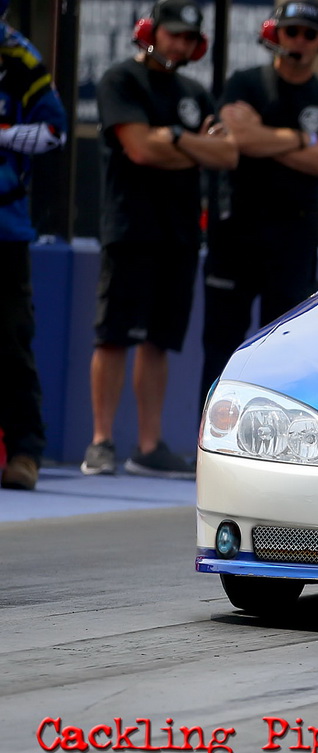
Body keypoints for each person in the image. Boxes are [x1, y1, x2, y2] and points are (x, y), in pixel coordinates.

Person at [84, 0, 237, 478]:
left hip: (180, 232)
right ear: (151, 32)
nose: (181, 45)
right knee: (114, 337)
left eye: (189, 38)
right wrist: (193, 146)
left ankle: (148, 446)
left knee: (159, 341)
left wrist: (172, 139)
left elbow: (227, 154)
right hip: (130, 227)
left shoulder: (195, 92)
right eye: (173, 34)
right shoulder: (120, 80)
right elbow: (139, 149)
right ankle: (101, 441)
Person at [199, 1, 318, 404]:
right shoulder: (245, 83)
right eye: (291, 31)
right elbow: (237, 139)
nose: (299, 41)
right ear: (275, 34)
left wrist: (264, 138)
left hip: (294, 236)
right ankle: (208, 433)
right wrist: (303, 140)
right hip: (235, 232)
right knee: (221, 345)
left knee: (285, 348)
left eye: (309, 34)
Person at [0, 0, 67, 491]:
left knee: (11, 340)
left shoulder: (20, 58)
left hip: (6, 226)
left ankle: (25, 452)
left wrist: (3, 135)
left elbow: (54, 132)